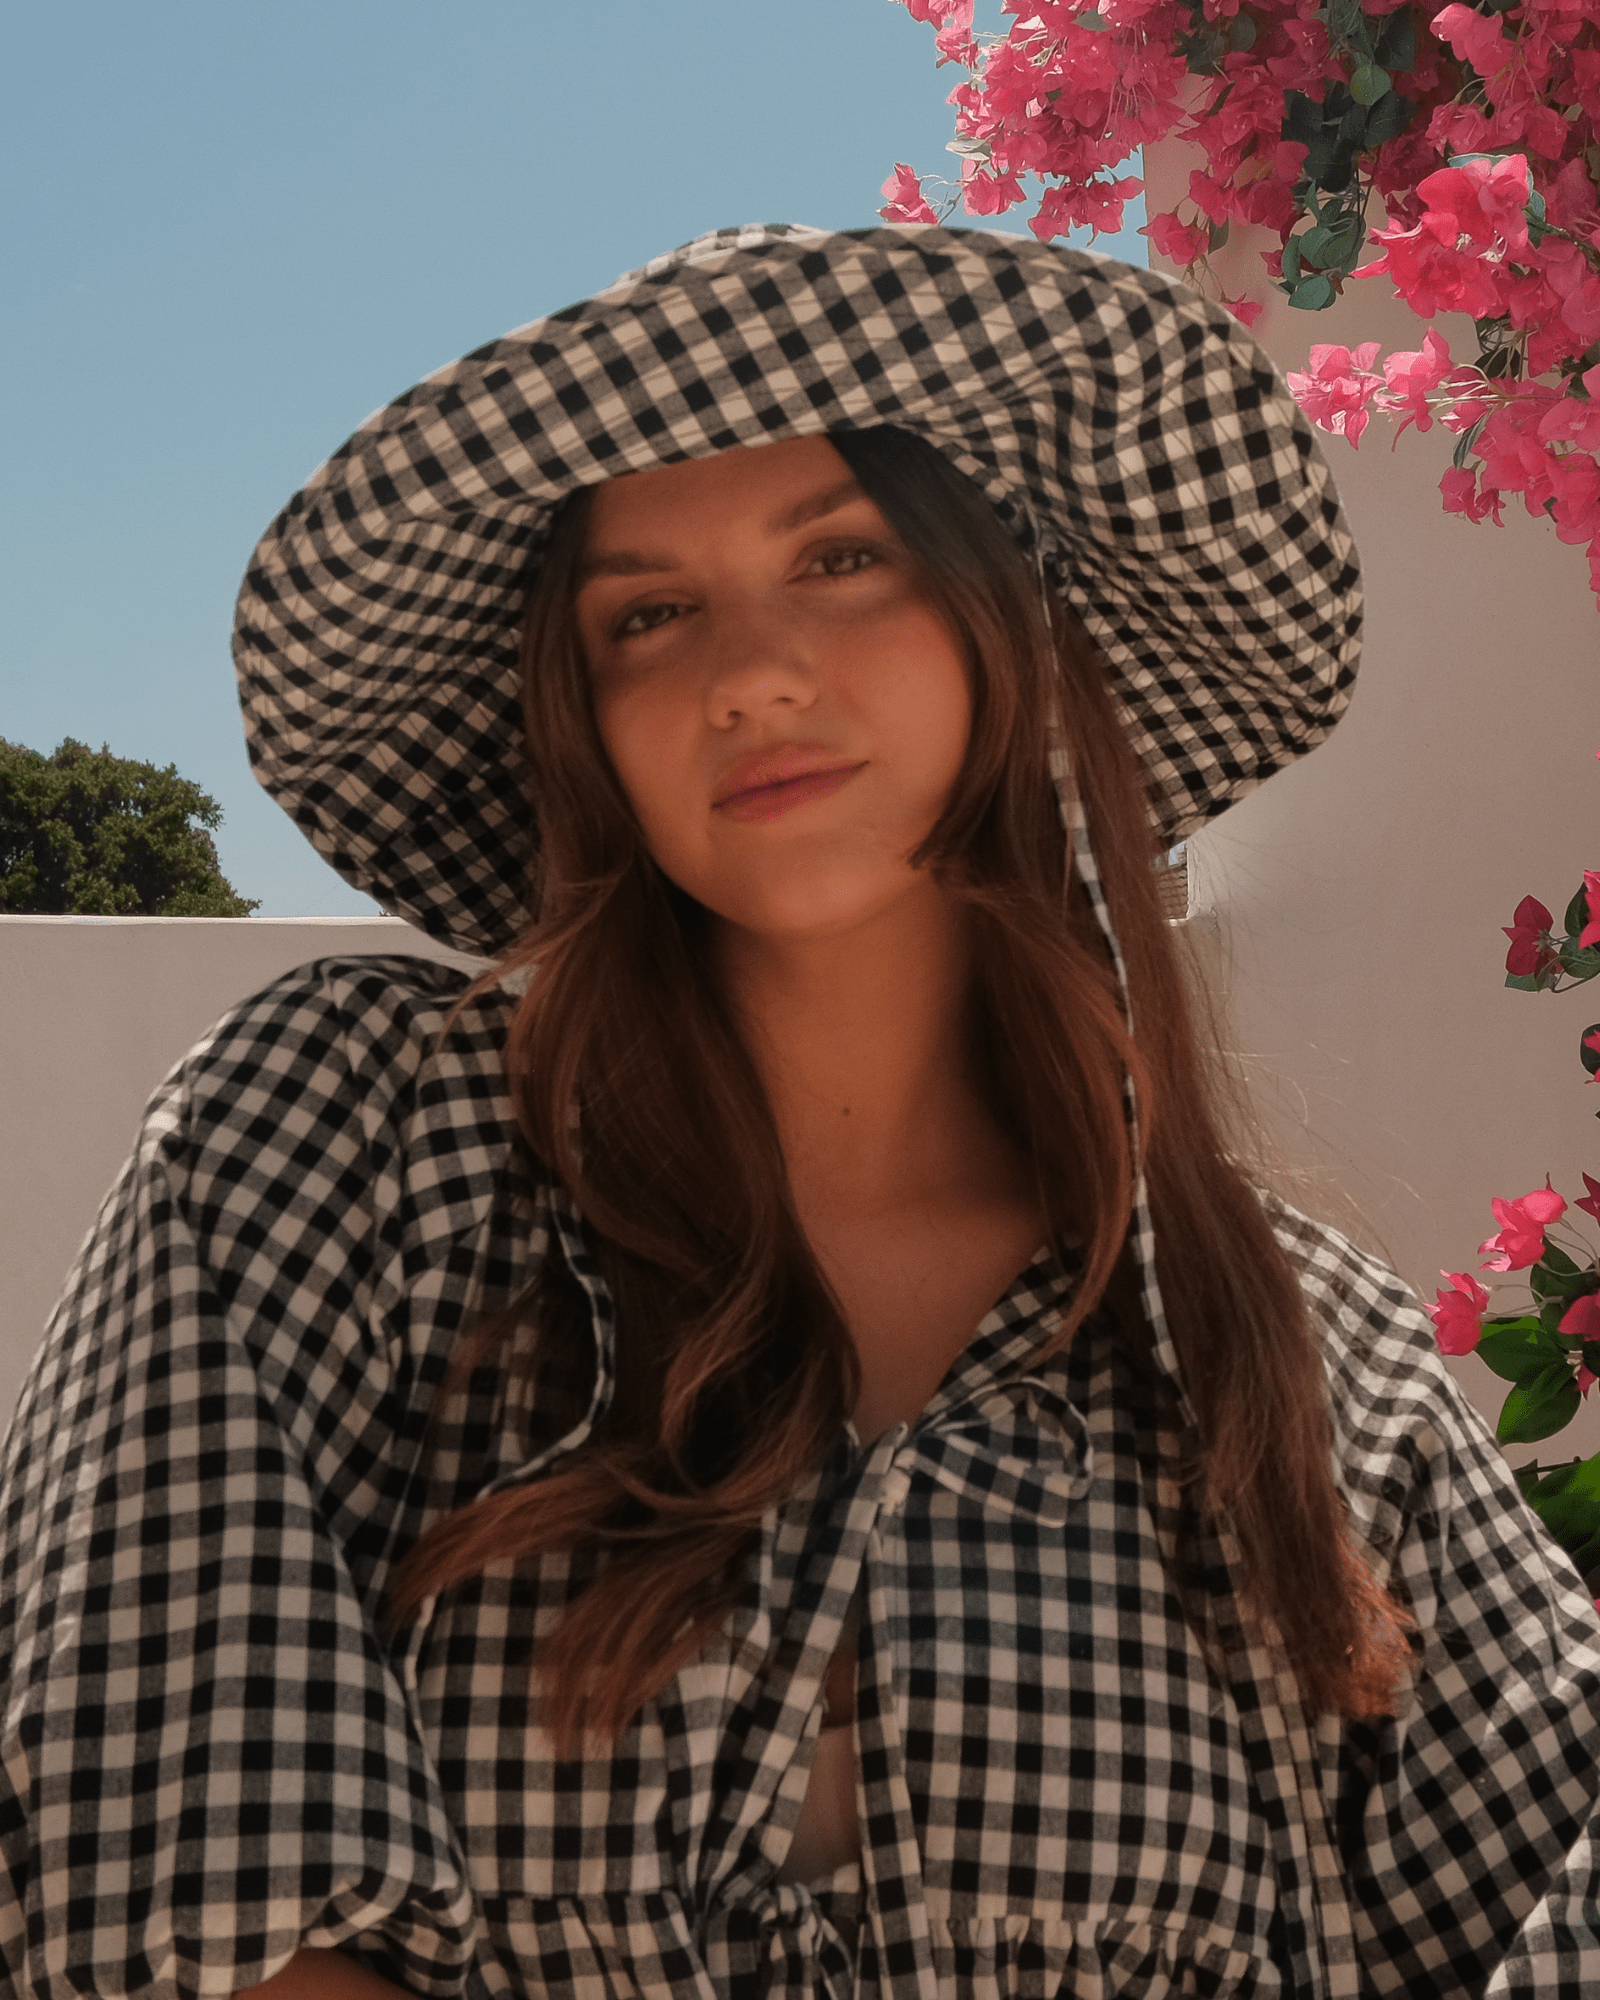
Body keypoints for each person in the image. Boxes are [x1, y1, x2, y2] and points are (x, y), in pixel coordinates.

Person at [1, 222, 1597, 2000]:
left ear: (1009, 623)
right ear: (583, 725)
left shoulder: (1307, 1351)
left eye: (842, 557)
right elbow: (168, 1847)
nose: (749, 673)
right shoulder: (341, 1142)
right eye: (647, 615)